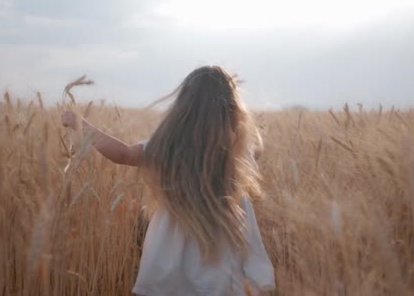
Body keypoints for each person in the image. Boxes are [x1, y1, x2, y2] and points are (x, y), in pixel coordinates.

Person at [61, 65, 275, 295]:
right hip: (221, 256)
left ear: (182, 107)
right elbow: (257, 150)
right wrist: (250, 128)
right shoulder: (235, 153)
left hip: (171, 254)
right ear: (230, 111)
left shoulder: (167, 149)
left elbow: (121, 153)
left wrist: (78, 123)